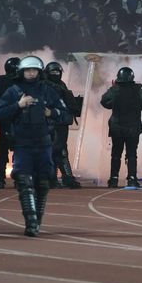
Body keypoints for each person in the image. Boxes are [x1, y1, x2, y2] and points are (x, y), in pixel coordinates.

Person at [0, 56, 69, 236]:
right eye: (27, 70)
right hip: (22, 144)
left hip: (44, 143)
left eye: (34, 70)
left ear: (39, 72)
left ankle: (37, 221)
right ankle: (31, 222)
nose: (31, 73)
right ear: (21, 71)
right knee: (24, 182)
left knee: (43, 183)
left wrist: (51, 112)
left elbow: (66, 114)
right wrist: (18, 105)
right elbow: (0, 114)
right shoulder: (13, 91)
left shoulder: (48, 90)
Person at [100, 67, 142, 188]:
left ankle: (113, 179)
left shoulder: (114, 90)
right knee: (132, 154)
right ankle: (132, 179)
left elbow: (104, 101)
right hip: (133, 127)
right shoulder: (138, 90)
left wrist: (114, 101)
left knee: (116, 153)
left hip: (117, 127)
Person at [44, 61, 82, 189]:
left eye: (57, 72)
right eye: (53, 72)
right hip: (49, 123)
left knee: (60, 150)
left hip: (61, 122)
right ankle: (53, 178)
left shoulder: (61, 85)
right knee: (53, 151)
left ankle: (64, 178)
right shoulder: (44, 86)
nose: (56, 74)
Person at [0, 57, 20, 189]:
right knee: (19, 150)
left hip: (5, 120)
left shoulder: (0, 81)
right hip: (18, 119)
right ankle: (18, 179)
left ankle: (0, 180)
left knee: (3, 150)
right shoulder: (20, 82)